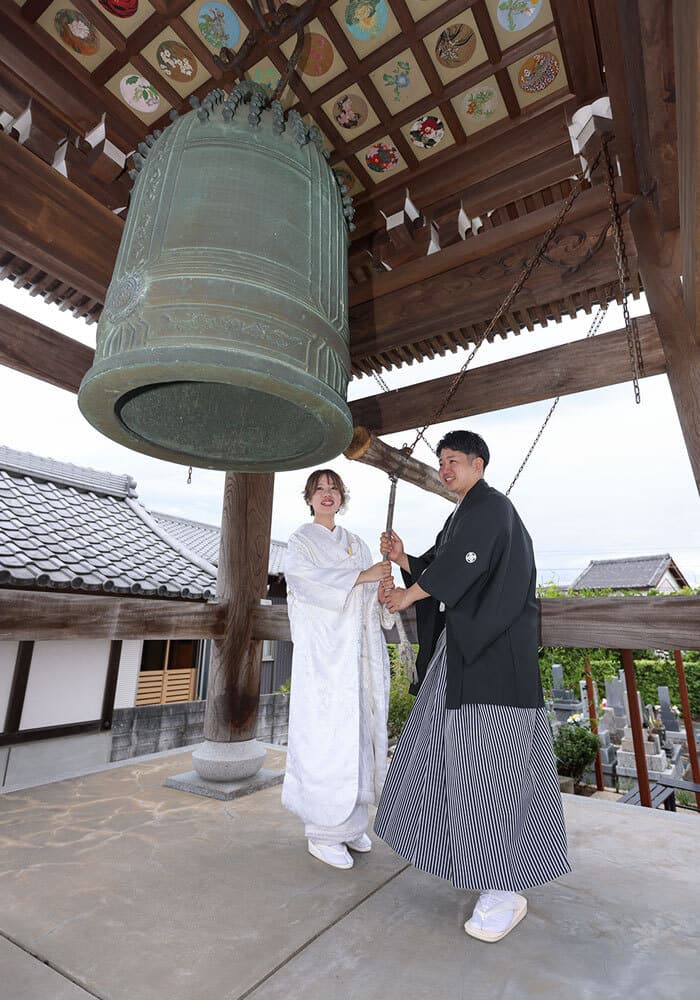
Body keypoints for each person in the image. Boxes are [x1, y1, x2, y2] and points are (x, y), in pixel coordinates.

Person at [375, 429, 570, 942]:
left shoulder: (491, 507)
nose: (445, 468)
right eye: (441, 461)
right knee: (452, 764)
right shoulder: (464, 514)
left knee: (496, 773)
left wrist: (408, 596)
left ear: (479, 463)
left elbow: (463, 568)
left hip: (493, 663)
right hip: (463, 658)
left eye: (454, 460)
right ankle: (478, 868)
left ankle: (505, 889)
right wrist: (403, 561)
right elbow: (444, 564)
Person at [282, 468, 393, 870]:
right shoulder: (299, 542)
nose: (327, 495)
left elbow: (365, 599)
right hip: (324, 658)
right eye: (319, 489)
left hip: (355, 656)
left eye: (334, 489)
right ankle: (322, 832)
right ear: (309, 498)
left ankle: (349, 824)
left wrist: (380, 591)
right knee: (325, 736)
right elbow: (306, 583)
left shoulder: (356, 543)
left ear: (342, 497)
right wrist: (363, 575)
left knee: (356, 734)